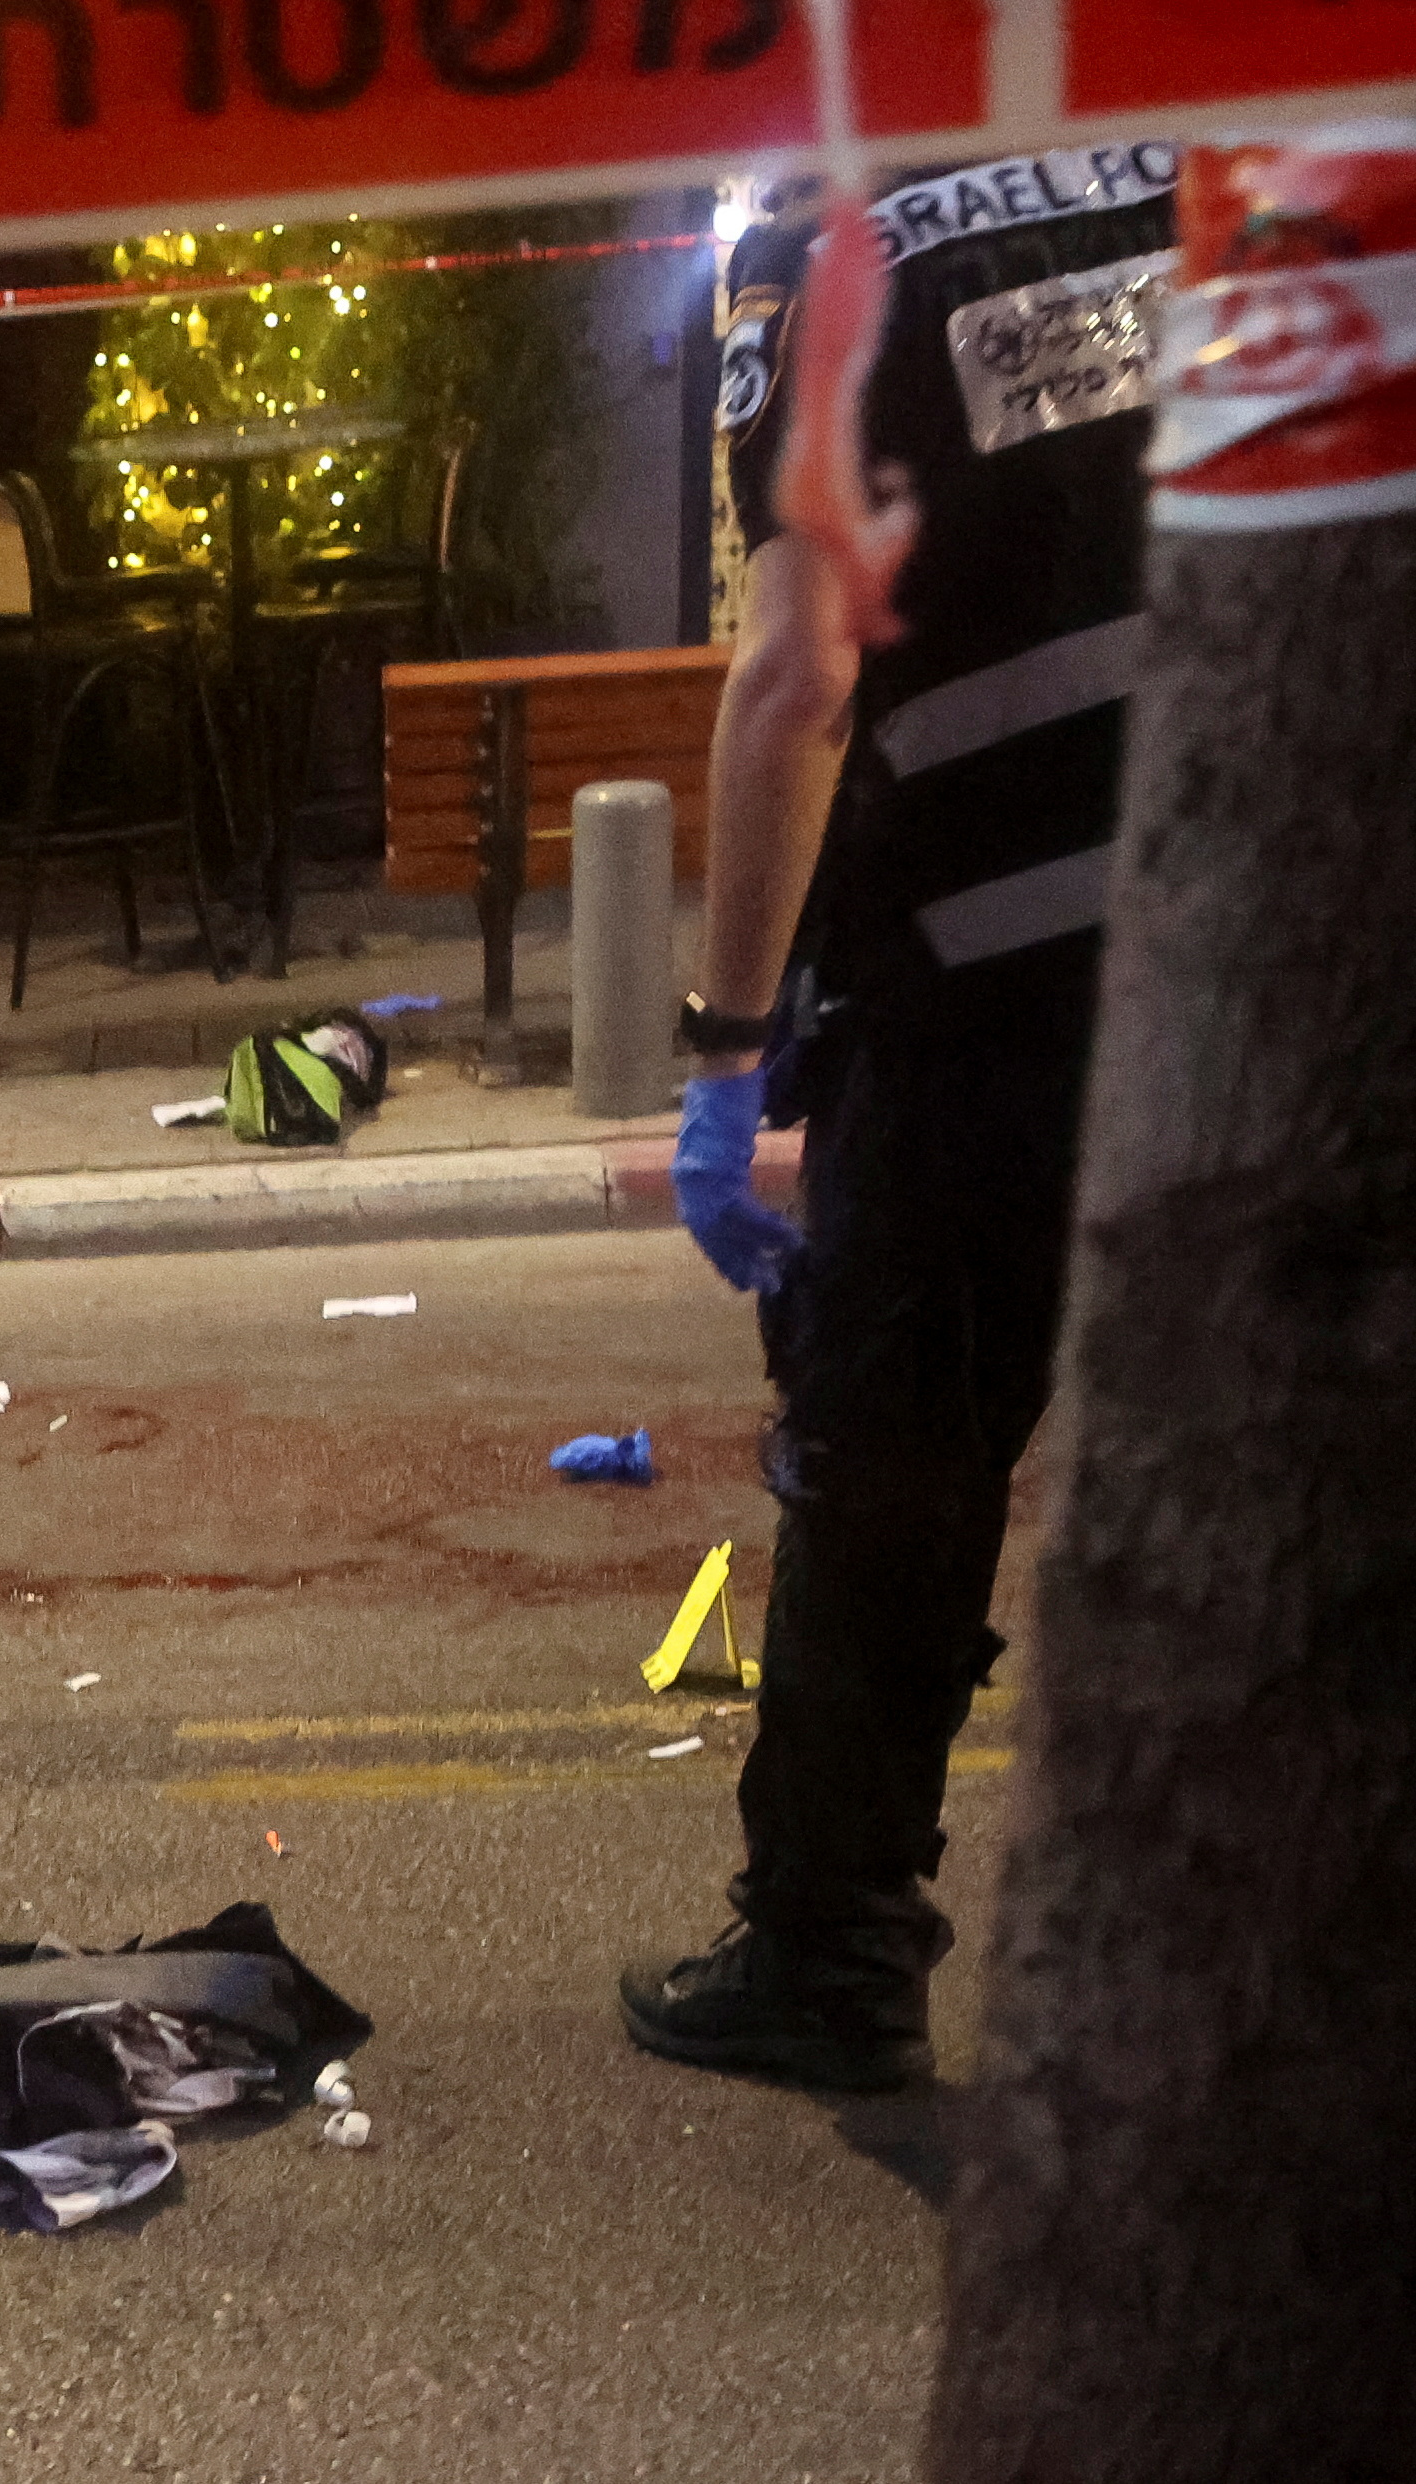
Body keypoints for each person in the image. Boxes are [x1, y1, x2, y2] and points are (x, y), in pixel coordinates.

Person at [620, 142, 1182, 2091]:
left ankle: (831, 1952)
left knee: (892, 1474)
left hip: (981, 993)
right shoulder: (1223, 166)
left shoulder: (828, 255)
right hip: (1258, 948)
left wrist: (725, 1046)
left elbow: (796, 678)